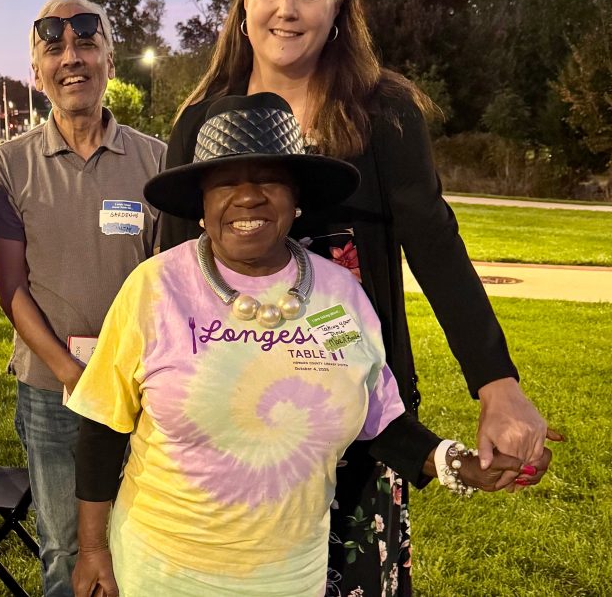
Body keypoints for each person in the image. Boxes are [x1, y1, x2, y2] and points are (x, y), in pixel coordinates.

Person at [159, 0, 557, 595]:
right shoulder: (205, 119)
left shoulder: (383, 113)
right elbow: (171, 281)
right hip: (236, 429)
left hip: (362, 427)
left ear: (341, 1)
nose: (287, 9)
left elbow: (434, 243)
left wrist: (498, 384)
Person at [69, 94, 554, 597]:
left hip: (291, 574)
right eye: (226, 182)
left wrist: (461, 466)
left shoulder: (339, 293)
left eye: (269, 179)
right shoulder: (155, 288)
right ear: (201, 205)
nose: (249, 196)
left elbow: (378, 419)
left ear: (295, 199)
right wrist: (91, 551)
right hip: (163, 569)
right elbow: (103, 426)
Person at [0, 0, 166, 597]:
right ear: (36, 70)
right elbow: (11, 290)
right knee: (64, 549)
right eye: (53, 46)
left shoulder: (156, 163)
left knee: (144, 538)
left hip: (144, 389)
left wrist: (131, 374)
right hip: (52, 391)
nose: (71, 58)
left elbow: (170, 285)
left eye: (86, 42)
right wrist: (71, 372)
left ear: (111, 57)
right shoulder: (8, 165)